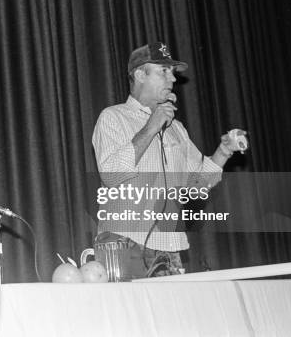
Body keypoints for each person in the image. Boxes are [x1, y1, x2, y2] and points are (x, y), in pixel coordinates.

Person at [92, 42, 247, 279]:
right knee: (129, 315)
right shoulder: (113, 117)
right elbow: (111, 175)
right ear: (139, 74)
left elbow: (197, 187)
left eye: (172, 72)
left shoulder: (177, 129)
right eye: (163, 71)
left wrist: (224, 151)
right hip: (124, 242)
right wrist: (152, 126)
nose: (172, 79)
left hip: (169, 246)